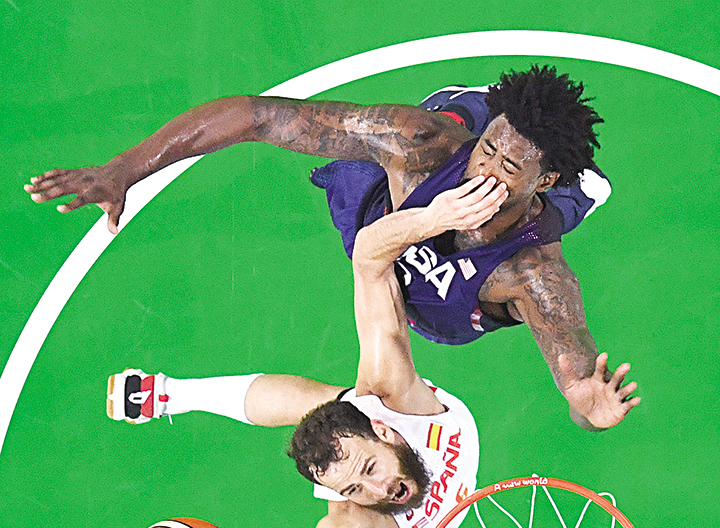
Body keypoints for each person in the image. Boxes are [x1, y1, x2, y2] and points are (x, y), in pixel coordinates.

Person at [26, 65, 638, 430]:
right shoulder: (416, 145)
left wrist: (590, 410)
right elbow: (256, 116)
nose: (486, 169)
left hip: (448, 308)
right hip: (378, 210)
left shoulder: (538, 279)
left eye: (508, 165)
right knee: (444, 122)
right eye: (489, 149)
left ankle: (575, 191)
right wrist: (125, 169)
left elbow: (581, 398)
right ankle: (473, 106)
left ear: (539, 176)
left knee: (547, 217)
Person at [109, 178, 499, 528]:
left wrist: (435, 218)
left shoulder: (388, 392)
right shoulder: (362, 521)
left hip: (418, 431)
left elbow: (369, 256)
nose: (378, 488)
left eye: (368, 468)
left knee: (328, 406)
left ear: (382, 430)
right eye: (354, 487)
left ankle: (170, 394)